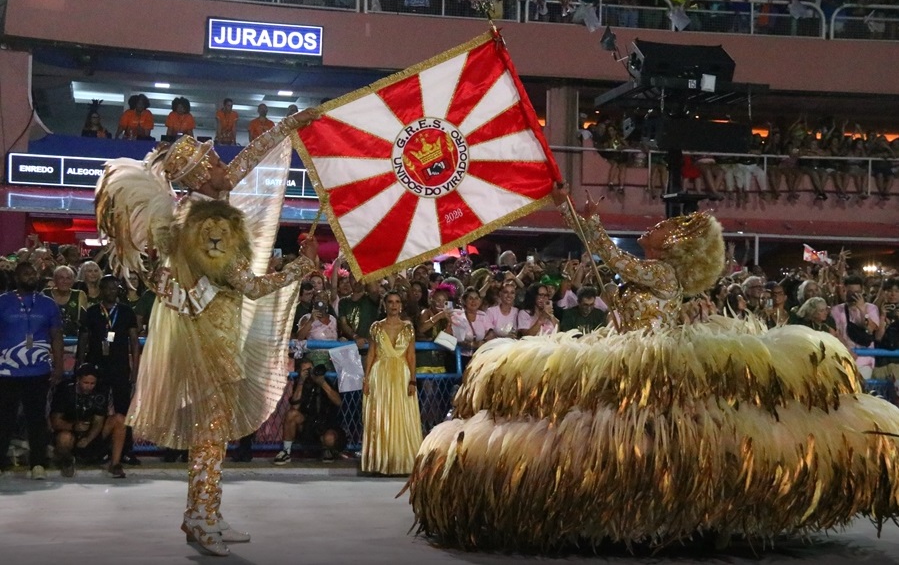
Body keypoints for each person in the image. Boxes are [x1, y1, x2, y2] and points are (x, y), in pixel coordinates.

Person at [407, 185, 899, 550]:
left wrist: (583, 218)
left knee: (653, 434)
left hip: (652, 356)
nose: (652, 228)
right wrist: (571, 211)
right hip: (626, 348)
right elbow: (607, 259)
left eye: (663, 228)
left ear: (671, 246)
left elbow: (612, 258)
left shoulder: (659, 272)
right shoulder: (653, 270)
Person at [96, 107, 319, 555]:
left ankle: (208, 512)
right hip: (209, 348)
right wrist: (302, 266)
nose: (225, 165)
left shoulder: (198, 207)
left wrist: (285, 129)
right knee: (210, 435)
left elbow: (240, 167)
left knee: (212, 435)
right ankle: (199, 518)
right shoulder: (209, 223)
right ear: (201, 177)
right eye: (215, 162)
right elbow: (250, 286)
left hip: (214, 341)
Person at [0, 262, 64, 479]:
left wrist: (58, 366)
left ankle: (38, 464)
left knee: (37, 420)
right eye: (26, 273)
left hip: (38, 372)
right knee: (4, 419)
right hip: (7, 372)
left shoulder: (48, 304)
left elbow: (56, 336)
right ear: (16, 278)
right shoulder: (3, 302)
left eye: (33, 273)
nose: (31, 276)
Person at [77, 274, 140, 478]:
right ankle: (99, 447)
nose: (112, 291)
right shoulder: (92, 312)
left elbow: (134, 341)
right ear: (101, 290)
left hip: (120, 366)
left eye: (115, 288)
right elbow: (84, 339)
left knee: (123, 408)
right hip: (97, 366)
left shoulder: (126, 311)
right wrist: (80, 365)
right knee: (99, 407)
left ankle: (126, 450)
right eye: (108, 288)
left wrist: (135, 368)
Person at [361, 290, 421, 475]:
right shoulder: (376, 327)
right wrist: (366, 378)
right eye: (390, 302)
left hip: (402, 375)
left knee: (402, 415)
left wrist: (413, 380)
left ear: (401, 305)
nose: (394, 305)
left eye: (397, 302)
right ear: (385, 305)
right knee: (380, 416)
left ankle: (402, 461)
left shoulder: (408, 328)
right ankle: (381, 462)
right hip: (380, 375)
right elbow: (371, 353)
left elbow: (411, 356)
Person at [49, 363, 126, 478]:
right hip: (71, 431)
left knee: (119, 419)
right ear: (78, 380)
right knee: (64, 438)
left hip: (92, 433)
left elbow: (99, 420)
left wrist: (88, 438)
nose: (89, 387)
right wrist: (74, 426)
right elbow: (55, 421)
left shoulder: (100, 391)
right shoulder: (65, 390)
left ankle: (115, 465)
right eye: (85, 383)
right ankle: (67, 460)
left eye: (92, 383)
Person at [272, 357, 345, 464]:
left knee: (330, 438)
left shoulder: (325, 381)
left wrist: (322, 383)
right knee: (291, 414)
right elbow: (295, 407)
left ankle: (327, 449)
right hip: (307, 424)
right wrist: (301, 382)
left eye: (310, 369)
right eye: (305, 371)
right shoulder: (299, 384)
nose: (309, 373)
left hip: (325, 423)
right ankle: (286, 451)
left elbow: (338, 402)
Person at [448, 287, 489, 371]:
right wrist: (471, 344)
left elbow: (490, 334)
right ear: (464, 301)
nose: (474, 301)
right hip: (459, 358)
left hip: (478, 358)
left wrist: (484, 343)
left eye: (476, 298)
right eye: (470, 298)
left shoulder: (483, 316)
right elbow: (451, 338)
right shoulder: (457, 315)